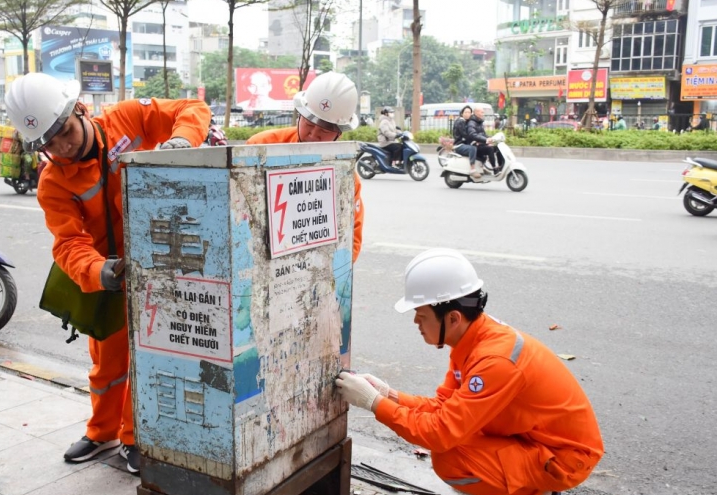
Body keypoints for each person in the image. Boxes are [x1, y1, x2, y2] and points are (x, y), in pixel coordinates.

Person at [5, 72, 211, 475]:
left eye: (65, 131)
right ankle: (103, 432)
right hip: (111, 277)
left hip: (161, 264)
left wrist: (182, 140)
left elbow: (192, 108)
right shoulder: (54, 183)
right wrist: (100, 271)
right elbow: (68, 243)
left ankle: (135, 438)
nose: (62, 147)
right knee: (107, 365)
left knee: (148, 358)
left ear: (80, 110)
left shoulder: (126, 119)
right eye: (49, 143)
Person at [335, 248, 604, 495]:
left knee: (451, 458)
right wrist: (389, 394)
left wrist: (373, 402)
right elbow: (444, 406)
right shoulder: (472, 338)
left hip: (564, 458)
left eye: (421, 314)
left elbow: (439, 433)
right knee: (455, 440)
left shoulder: (495, 360)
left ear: (453, 318)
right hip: (530, 437)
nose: (416, 321)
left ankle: (532, 489)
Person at [245, 72, 365, 263]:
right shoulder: (261, 147)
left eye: (324, 130)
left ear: (339, 134)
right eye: (309, 124)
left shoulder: (346, 178)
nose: (314, 134)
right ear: (299, 116)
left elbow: (352, 236)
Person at [465, 107, 500, 174]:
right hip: (475, 145)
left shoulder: (479, 122)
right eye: (482, 112)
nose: (483, 114)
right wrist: (485, 140)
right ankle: (494, 168)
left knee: (497, 147)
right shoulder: (471, 123)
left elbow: (483, 134)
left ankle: (500, 165)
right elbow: (473, 135)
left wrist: (492, 138)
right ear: (476, 112)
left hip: (480, 143)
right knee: (490, 149)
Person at [452, 105, 479, 179]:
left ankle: (480, 166)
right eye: (466, 112)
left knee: (479, 147)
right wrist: (475, 139)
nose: (467, 114)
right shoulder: (460, 121)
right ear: (462, 113)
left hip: (464, 143)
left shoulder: (465, 121)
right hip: (459, 145)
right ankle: (472, 169)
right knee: (472, 148)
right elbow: (465, 134)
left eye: (469, 112)